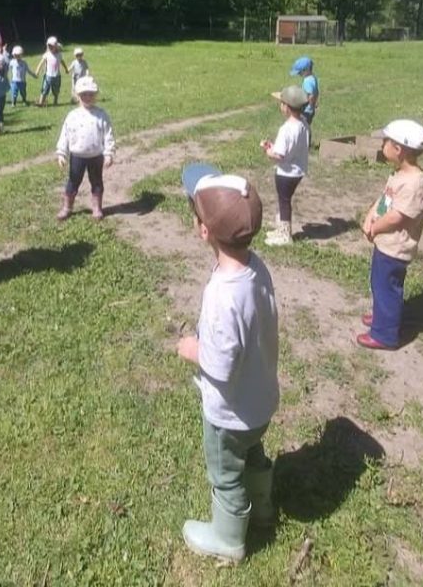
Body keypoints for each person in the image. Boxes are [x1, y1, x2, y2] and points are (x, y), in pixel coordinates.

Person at [176, 163, 279, 564]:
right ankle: (264, 508)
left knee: (226, 472)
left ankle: (228, 539)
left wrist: (191, 348)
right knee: (252, 452)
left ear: (204, 231)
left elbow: (219, 365)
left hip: (229, 413)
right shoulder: (257, 269)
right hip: (260, 402)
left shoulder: (222, 294)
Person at [357, 120, 423, 350]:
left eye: (385, 142)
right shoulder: (399, 175)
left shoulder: (413, 184)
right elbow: (385, 200)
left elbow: (397, 217)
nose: (382, 145)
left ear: (398, 149)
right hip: (385, 244)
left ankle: (384, 334)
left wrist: (376, 227)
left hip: (396, 247)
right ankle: (383, 316)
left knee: (386, 287)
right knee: (379, 284)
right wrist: (371, 215)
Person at [55, 75, 115, 220]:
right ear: (77, 95)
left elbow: (108, 135)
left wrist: (109, 153)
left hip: (96, 156)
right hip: (77, 156)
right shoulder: (72, 116)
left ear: (95, 95)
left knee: (97, 182)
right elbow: (65, 135)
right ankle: (67, 207)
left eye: (91, 94)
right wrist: (61, 153)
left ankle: (97, 208)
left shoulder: (101, 115)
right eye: (84, 94)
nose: (87, 97)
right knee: (73, 182)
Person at [260, 84, 310, 245]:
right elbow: (291, 148)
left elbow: (279, 155)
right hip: (298, 171)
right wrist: (274, 147)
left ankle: (285, 235)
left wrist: (268, 150)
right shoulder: (303, 124)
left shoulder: (286, 129)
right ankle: (281, 229)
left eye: (281, 103)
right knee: (285, 199)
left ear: (286, 107)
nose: (280, 106)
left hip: (285, 173)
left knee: (284, 201)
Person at [36, 36, 70, 106]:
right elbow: (41, 63)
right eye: (49, 46)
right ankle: (41, 102)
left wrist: (66, 69)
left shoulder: (59, 55)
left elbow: (62, 62)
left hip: (57, 76)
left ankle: (55, 102)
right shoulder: (47, 55)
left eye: (52, 46)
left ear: (56, 47)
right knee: (44, 89)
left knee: (56, 90)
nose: (50, 48)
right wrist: (37, 71)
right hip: (48, 76)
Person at [289, 57, 320, 129]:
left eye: (300, 72)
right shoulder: (313, 78)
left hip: (306, 111)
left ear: (306, 70)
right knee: (305, 126)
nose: (299, 74)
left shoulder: (307, 81)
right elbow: (316, 93)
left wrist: (310, 105)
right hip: (310, 110)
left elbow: (311, 95)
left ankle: (304, 139)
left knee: (301, 127)